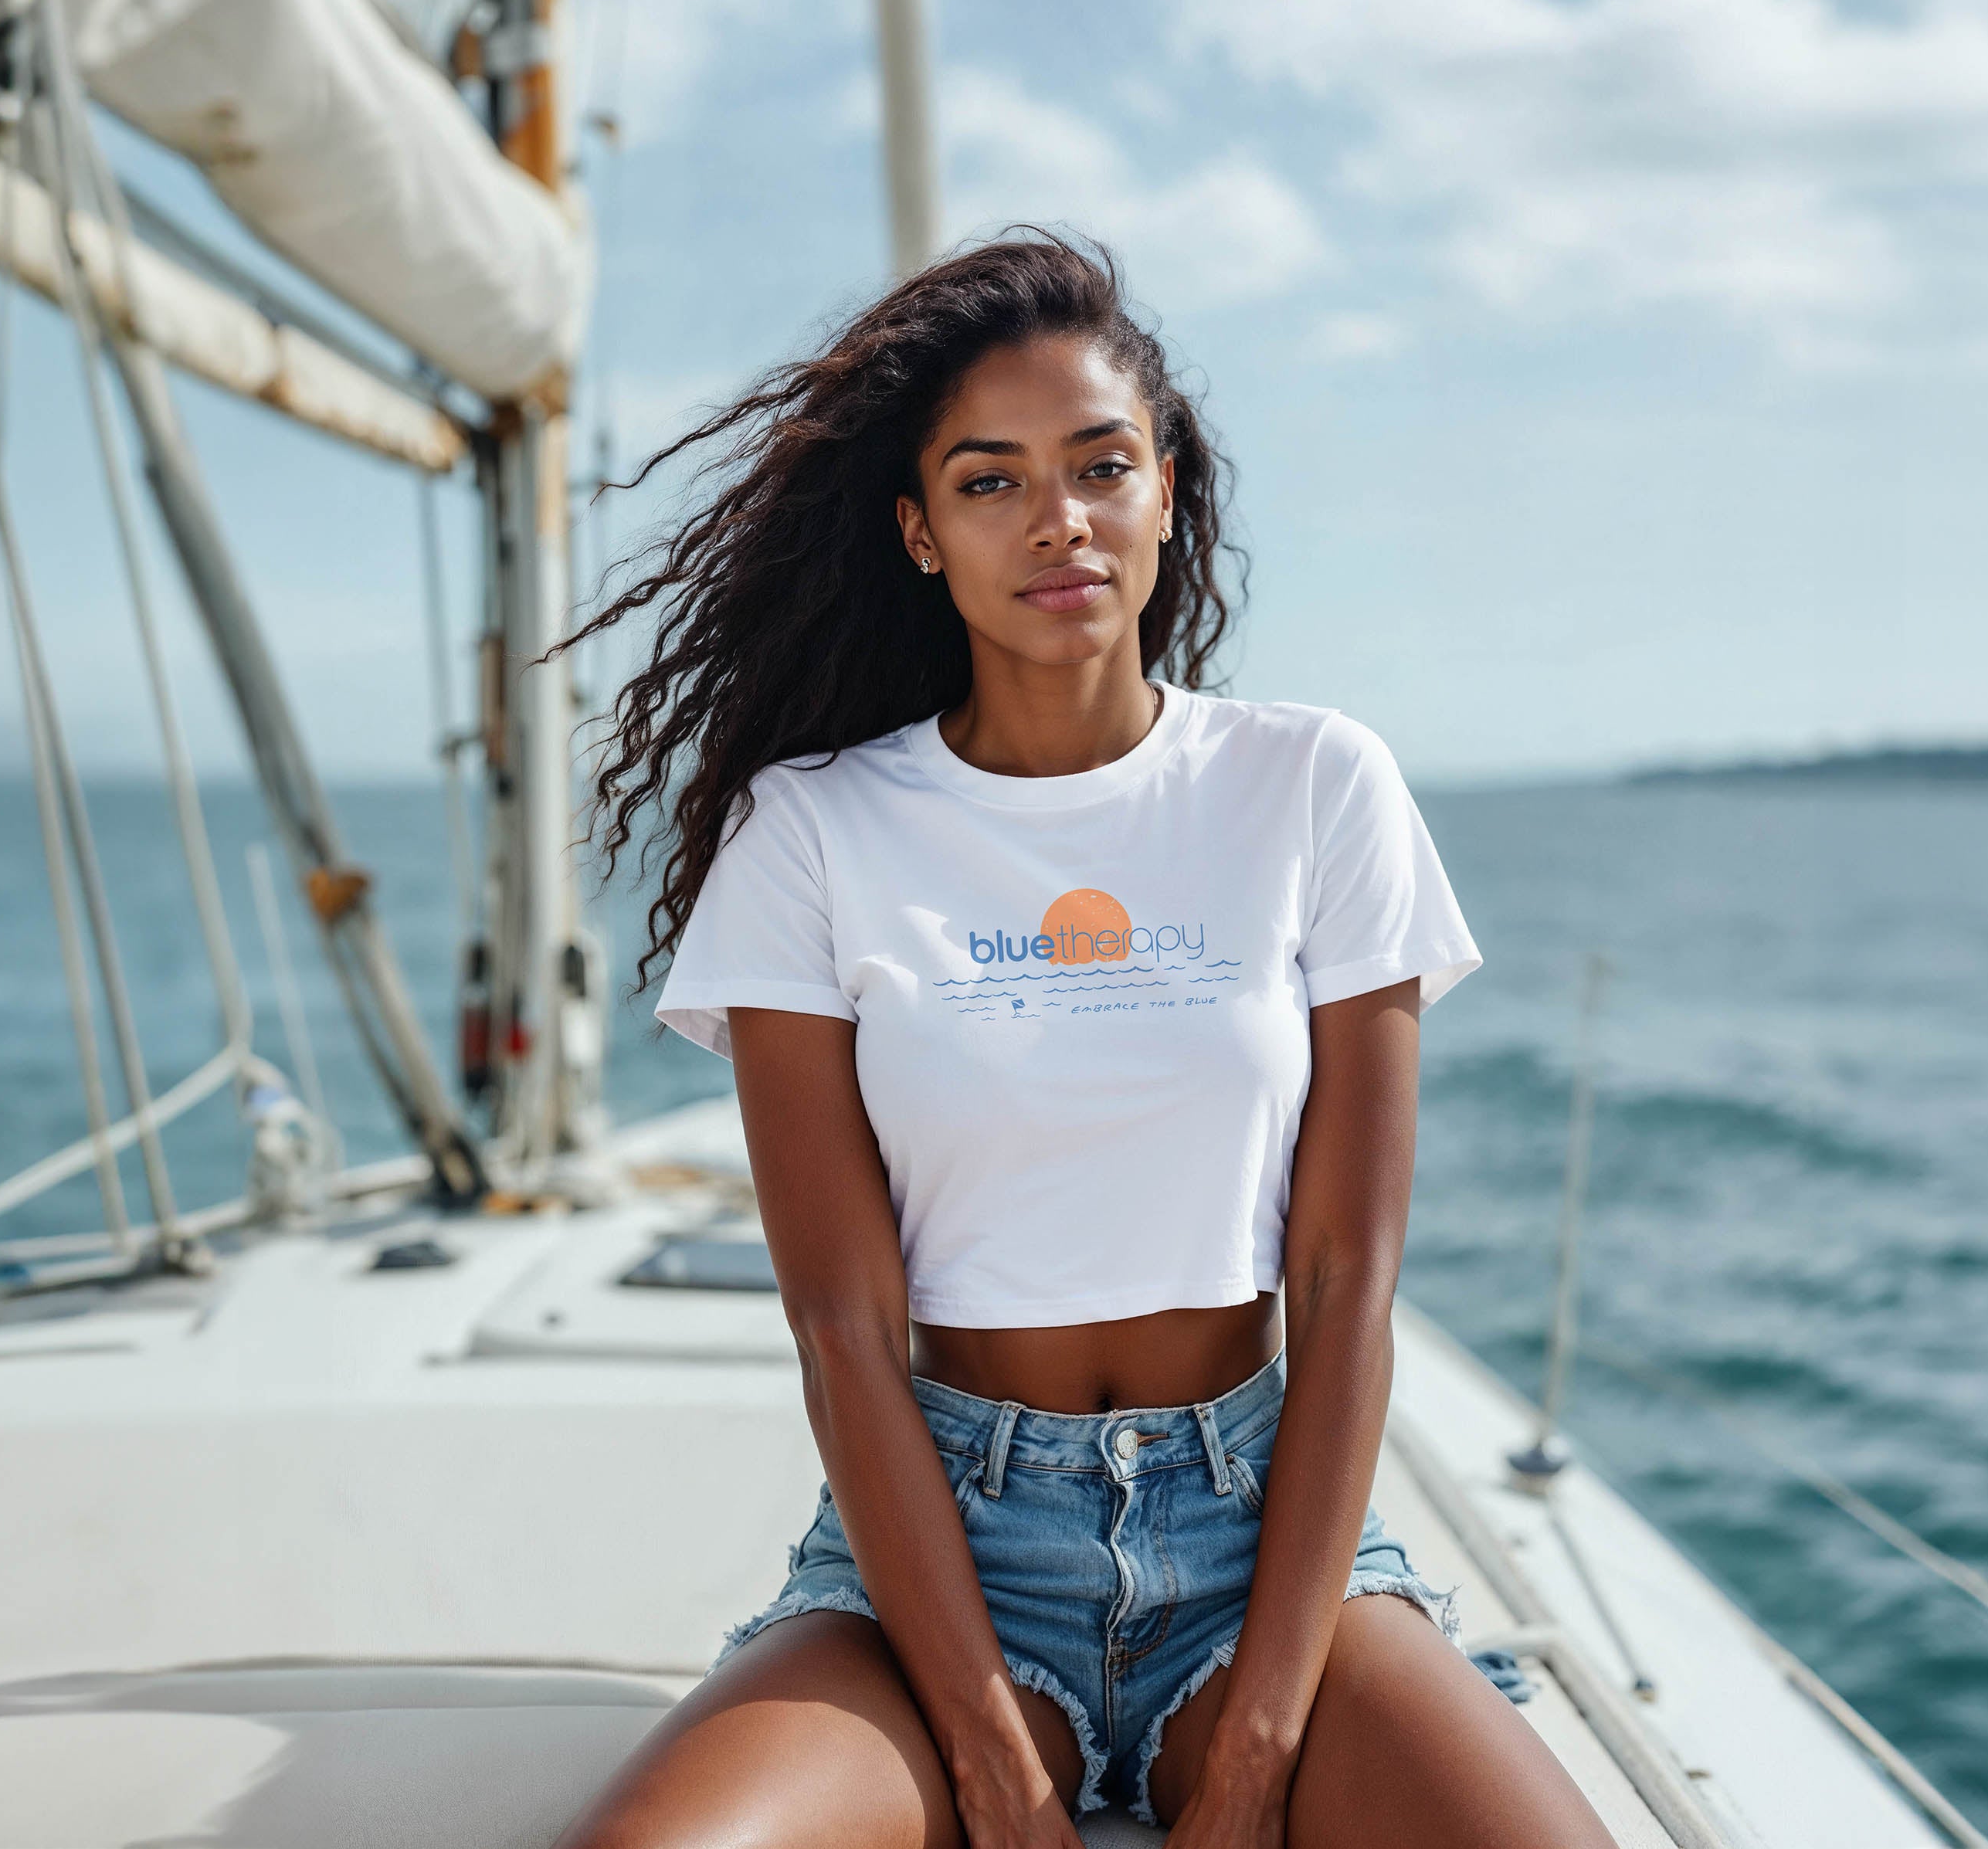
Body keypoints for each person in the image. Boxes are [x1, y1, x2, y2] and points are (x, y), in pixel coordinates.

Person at [547, 233, 1613, 1849]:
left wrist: (1258, 1745)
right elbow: (843, 1324)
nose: (1059, 518)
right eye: (991, 482)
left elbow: (1344, 1287)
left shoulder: (1315, 785)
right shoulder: (817, 833)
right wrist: (991, 1759)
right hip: (945, 1554)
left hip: (1264, 1538)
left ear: (1166, 490)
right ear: (920, 532)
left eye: (1101, 464)